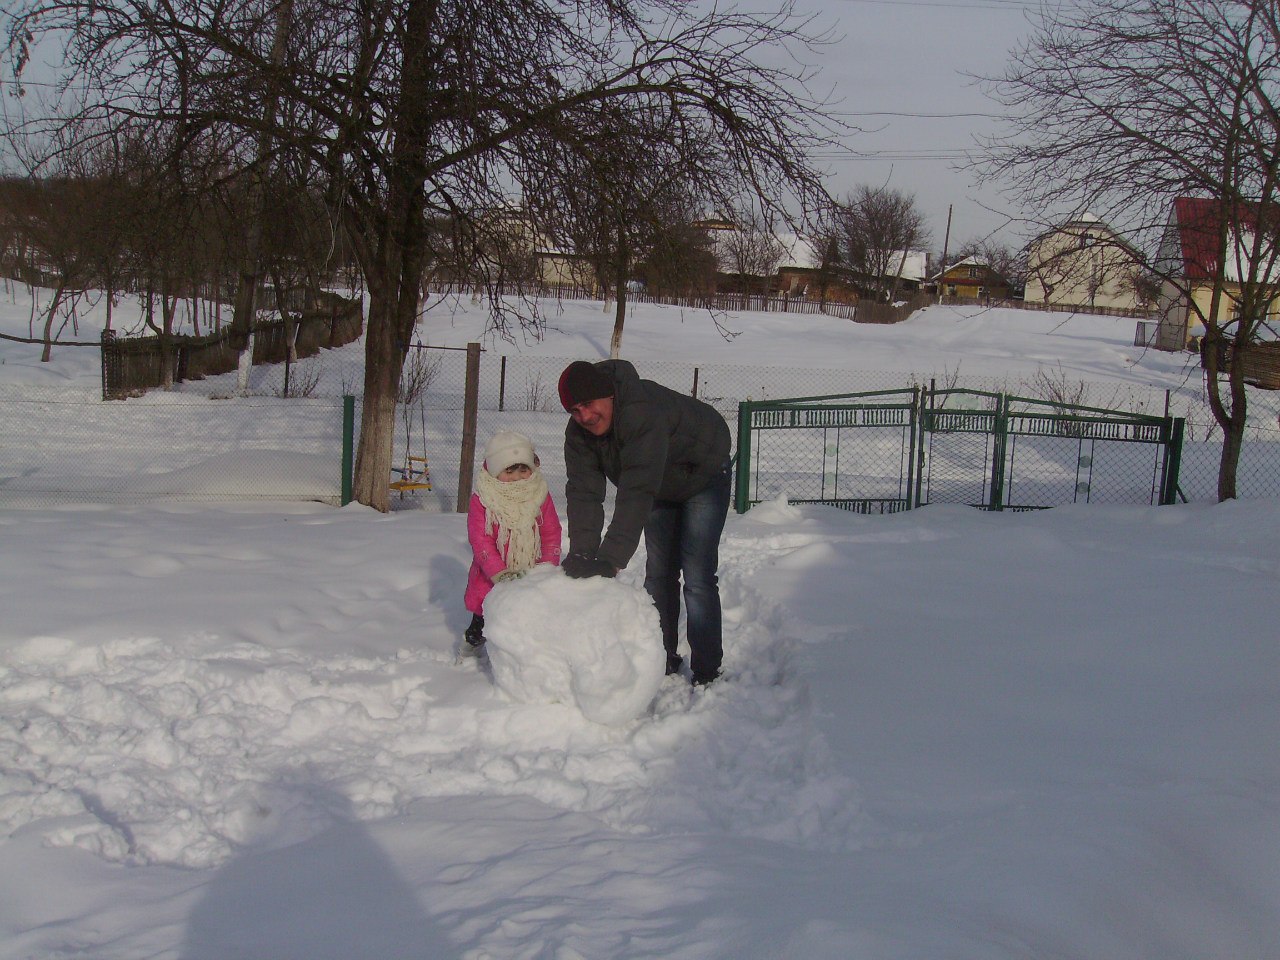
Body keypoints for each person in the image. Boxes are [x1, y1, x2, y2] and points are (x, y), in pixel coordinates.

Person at [557, 359, 732, 686]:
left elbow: (636, 489)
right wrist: (582, 551)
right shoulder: (579, 434)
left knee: (697, 575)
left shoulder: (641, 412)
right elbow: (583, 491)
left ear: (608, 394)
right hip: (660, 480)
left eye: (589, 404)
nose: (585, 416)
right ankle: (661, 658)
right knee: (660, 573)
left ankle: (707, 669)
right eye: (574, 410)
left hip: (703, 472)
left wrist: (610, 559)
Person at [462, 430, 562, 655]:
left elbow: (550, 532)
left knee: (528, 615)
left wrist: (546, 567)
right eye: (509, 470)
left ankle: (520, 654)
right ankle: (470, 649)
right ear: (495, 470)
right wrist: (499, 572)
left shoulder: (539, 494)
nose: (517, 477)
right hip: (491, 577)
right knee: (483, 621)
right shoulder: (484, 498)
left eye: (523, 469)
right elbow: (481, 540)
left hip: (530, 571)